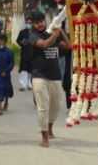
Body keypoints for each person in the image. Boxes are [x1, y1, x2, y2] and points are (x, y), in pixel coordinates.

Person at [29, 10, 70, 148]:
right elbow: (44, 45)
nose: (40, 24)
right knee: (42, 107)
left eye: (42, 21)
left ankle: (50, 126)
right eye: (37, 22)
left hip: (55, 77)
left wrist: (60, 30)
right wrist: (56, 34)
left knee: (56, 107)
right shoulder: (33, 36)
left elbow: (69, 46)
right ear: (33, 24)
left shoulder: (51, 34)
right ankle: (44, 136)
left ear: (45, 21)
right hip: (39, 76)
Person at [0, 34, 14, 115]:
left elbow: (12, 63)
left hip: (6, 74)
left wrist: (6, 71)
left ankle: (6, 102)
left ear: (4, 42)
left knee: (6, 89)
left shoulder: (9, 52)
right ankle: (0, 108)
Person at [16, 15, 34, 91]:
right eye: (27, 23)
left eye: (30, 23)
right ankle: (23, 85)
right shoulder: (22, 32)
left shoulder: (35, 32)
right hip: (24, 52)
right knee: (23, 69)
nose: (28, 24)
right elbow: (18, 40)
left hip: (33, 53)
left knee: (31, 69)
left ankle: (30, 84)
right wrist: (21, 43)